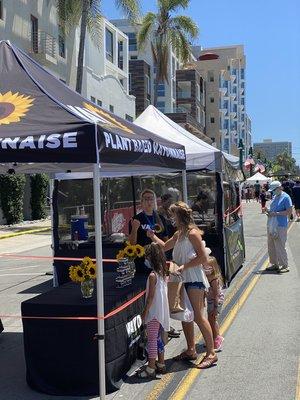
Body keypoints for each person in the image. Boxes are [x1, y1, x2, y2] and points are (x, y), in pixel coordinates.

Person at [147, 202, 217, 369]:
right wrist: (152, 237)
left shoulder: (193, 234)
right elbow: (164, 247)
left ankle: (211, 353)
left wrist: (184, 266)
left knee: (199, 316)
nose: (172, 218)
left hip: (193, 278)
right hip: (180, 279)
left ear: (180, 216)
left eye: (173, 215)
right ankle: (191, 350)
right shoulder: (179, 234)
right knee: (185, 315)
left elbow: (203, 258)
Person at [137, 243, 170, 378]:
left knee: (151, 339)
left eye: (147, 257)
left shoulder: (152, 276)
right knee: (158, 338)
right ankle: (161, 363)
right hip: (162, 312)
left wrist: (145, 313)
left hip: (154, 312)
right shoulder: (162, 273)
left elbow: (150, 298)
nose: (146, 259)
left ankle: (151, 367)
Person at [128, 189, 168, 272]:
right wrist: (134, 229)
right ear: (141, 202)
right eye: (146, 199)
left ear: (155, 201)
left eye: (151, 199)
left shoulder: (161, 219)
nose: (149, 201)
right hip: (141, 261)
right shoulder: (136, 219)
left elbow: (166, 241)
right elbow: (132, 243)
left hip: (158, 260)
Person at [265, 181, 293, 273]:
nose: (272, 192)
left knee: (280, 245)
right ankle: (275, 264)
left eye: (274, 190)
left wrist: (276, 214)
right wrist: (268, 211)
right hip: (272, 224)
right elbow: (273, 208)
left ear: (279, 188)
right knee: (271, 245)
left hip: (280, 225)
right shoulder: (275, 196)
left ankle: (285, 265)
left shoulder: (286, 197)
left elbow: (289, 212)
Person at [203, 256, 225, 351]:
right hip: (210, 300)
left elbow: (216, 295)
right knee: (210, 319)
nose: (205, 269)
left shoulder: (214, 280)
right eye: (204, 267)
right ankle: (213, 338)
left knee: (213, 319)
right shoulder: (207, 278)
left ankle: (218, 339)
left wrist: (216, 308)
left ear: (213, 268)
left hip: (216, 301)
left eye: (208, 267)